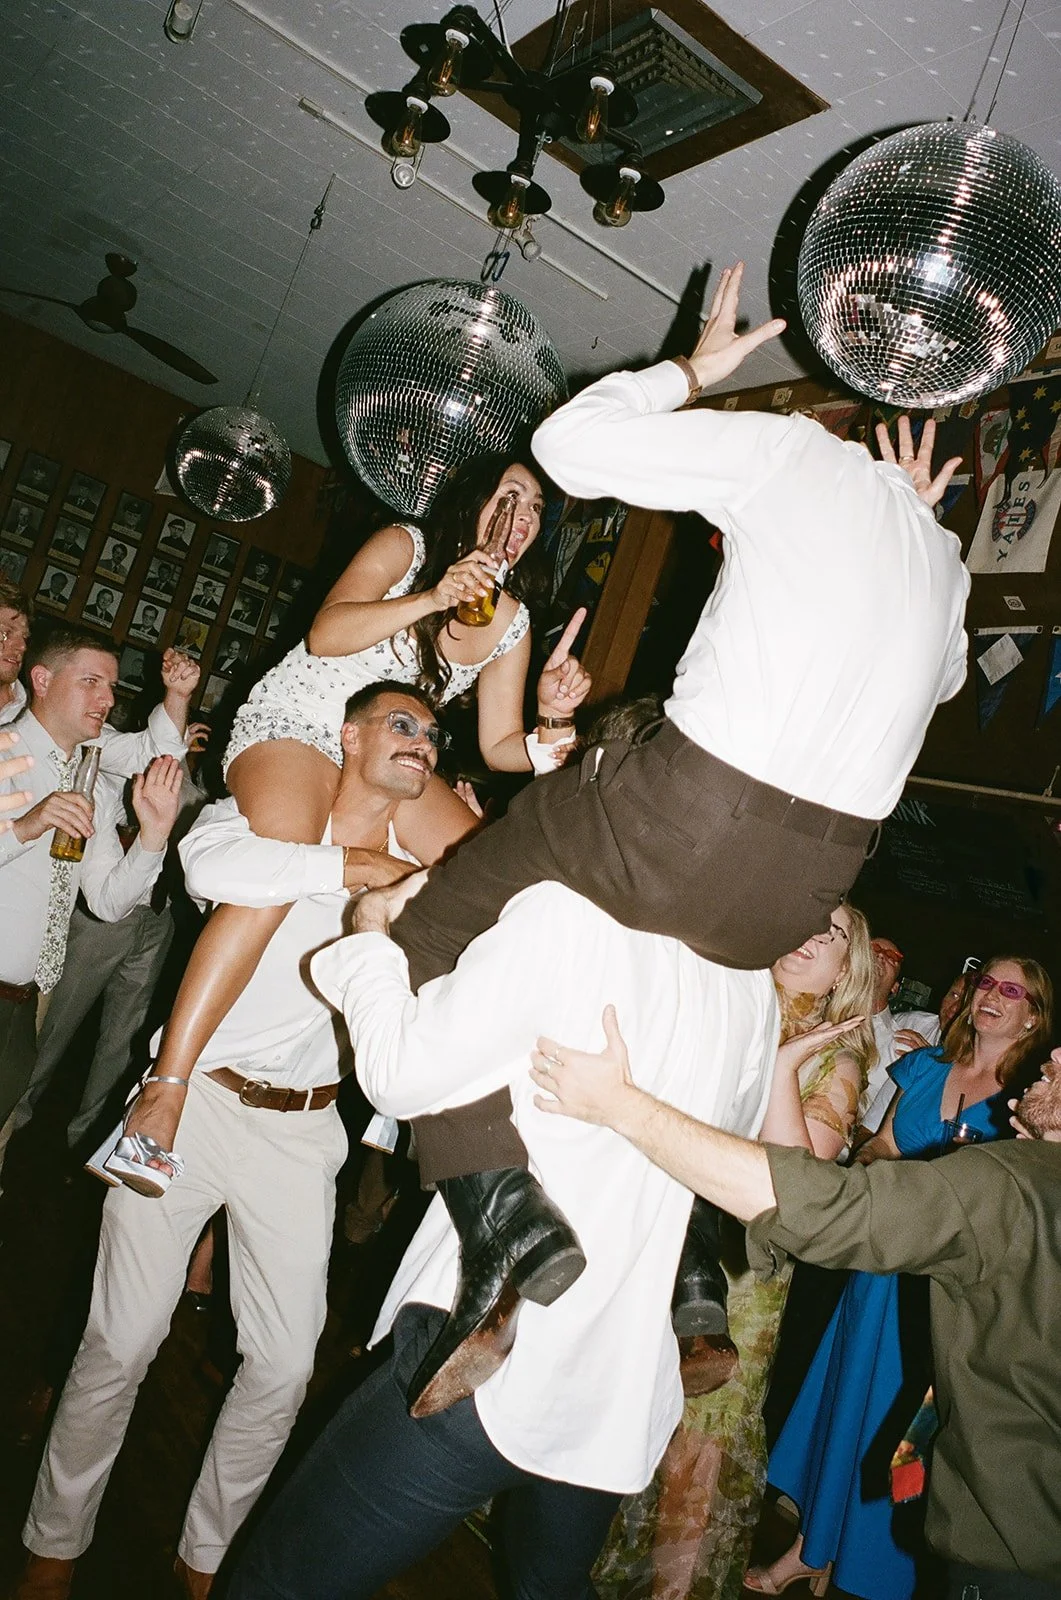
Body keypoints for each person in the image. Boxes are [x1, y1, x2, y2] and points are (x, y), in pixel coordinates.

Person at [317, 260, 967, 1410]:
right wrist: (918, 526)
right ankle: (689, 1272)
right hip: (801, 890)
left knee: (429, 929)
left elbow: (570, 445)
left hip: (685, 813)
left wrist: (694, 372)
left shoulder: (792, 454)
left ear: (831, 394)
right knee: (687, 1009)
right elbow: (949, 673)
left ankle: (500, 1213)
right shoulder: (943, 561)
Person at [221, 850, 779, 1600]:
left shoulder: (563, 912)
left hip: (495, 1357)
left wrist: (368, 933)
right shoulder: (749, 985)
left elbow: (400, 1074)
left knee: (277, 1585)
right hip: (620, 1379)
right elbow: (713, 1152)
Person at [14, 684, 465, 1600]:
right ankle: (53, 1542)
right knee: (122, 1339)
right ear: (346, 735)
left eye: (433, 733)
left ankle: (206, 1556)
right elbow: (213, 871)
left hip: (303, 1133)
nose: (421, 742)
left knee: (289, 1362)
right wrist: (353, 869)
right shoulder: (253, 818)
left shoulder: (421, 884)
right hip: (188, 1102)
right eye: (400, 724)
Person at [106, 452, 590, 1197]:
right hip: (299, 723)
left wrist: (553, 722)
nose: (520, 519)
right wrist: (432, 597)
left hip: (392, 749)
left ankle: (466, 1138)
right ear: (472, 500)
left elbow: (499, 747)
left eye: (535, 511)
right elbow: (326, 635)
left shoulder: (513, 621)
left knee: (483, 881)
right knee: (279, 867)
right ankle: (168, 1085)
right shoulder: (407, 547)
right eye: (509, 497)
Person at [526, 1024, 1061, 1600]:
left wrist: (622, 1106)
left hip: (1019, 1557)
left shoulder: (1017, 1182)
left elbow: (816, 1205)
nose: (1055, 1053)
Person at [746, 955, 1054, 1600]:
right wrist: (878, 1162)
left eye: (1011, 989)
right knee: (849, 1404)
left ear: (1032, 1016)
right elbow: (883, 1143)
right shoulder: (925, 1067)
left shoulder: (1031, 1103)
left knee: (904, 1425)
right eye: (985, 983)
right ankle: (814, 1547)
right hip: (881, 1272)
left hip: (950, 1293)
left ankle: (868, 1564)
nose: (991, 995)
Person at [594, 902, 876, 1600]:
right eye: (808, 916)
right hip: (658, 1232)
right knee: (630, 1398)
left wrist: (784, 1066)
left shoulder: (832, 1054)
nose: (810, 934)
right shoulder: (730, 1004)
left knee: (701, 1436)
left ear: (848, 967)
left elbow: (794, 1185)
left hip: (737, 1269)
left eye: (832, 933)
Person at [0, 627, 186, 1130]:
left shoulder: (91, 783)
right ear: (41, 679)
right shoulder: (3, 754)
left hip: (27, 999)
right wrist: (23, 827)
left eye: (111, 686)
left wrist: (153, 835)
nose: (107, 698)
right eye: (91, 682)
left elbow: (106, 902)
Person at [860, 936, 941, 1126]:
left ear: (895, 988)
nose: (881, 955)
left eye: (892, 957)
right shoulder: (814, 1013)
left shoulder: (905, 1047)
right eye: (874, 948)